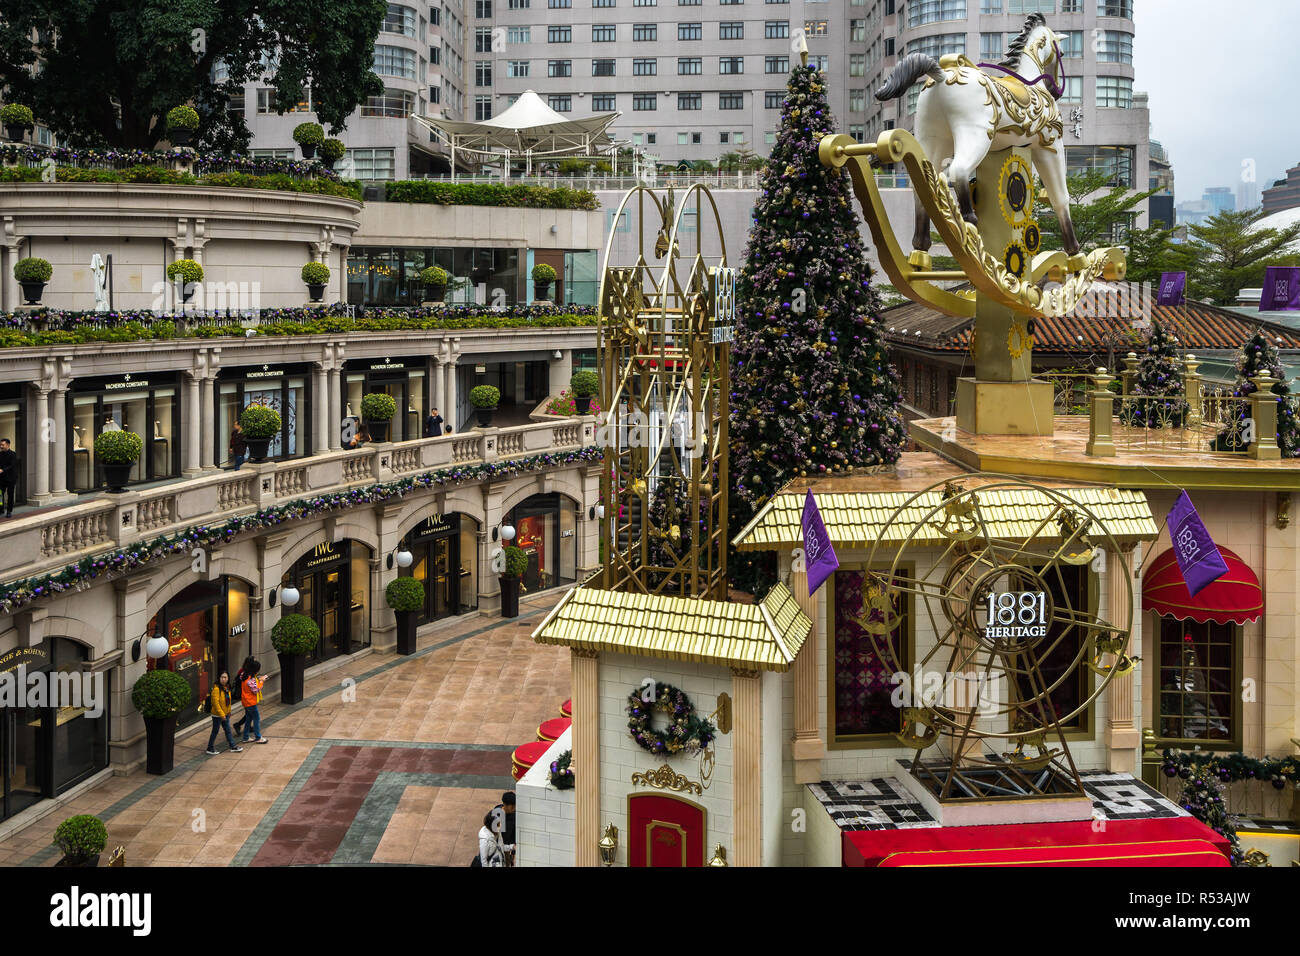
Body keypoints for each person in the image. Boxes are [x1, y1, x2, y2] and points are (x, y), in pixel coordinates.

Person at [205, 672, 244, 755]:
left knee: (228, 730)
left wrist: (229, 711)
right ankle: (210, 748)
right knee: (215, 731)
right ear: (219, 678)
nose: (223, 679)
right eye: (222, 677)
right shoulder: (216, 689)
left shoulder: (226, 688)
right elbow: (216, 703)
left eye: (225, 677)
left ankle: (233, 746)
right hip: (217, 714)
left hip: (225, 714)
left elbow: (228, 701)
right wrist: (222, 714)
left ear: (228, 678)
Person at [240, 661, 269, 744]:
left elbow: (251, 684)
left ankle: (246, 737)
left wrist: (258, 679)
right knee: (256, 719)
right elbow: (256, 690)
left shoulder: (243, 675)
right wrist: (261, 681)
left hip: (245, 702)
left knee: (249, 719)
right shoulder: (251, 679)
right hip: (251, 703)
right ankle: (258, 737)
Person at [232, 656, 255, 737]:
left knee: (249, 712)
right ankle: (238, 725)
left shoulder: (243, 671)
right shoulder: (245, 672)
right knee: (251, 713)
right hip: (245, 696)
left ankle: (247, 726)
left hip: (245, 695)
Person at [494, 791, 517, 866]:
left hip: (511, 844)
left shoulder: (514, 814)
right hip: (501, 845)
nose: (515, 808)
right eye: (513, 806)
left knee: (508, 861)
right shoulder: (497, 813)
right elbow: (494, 832)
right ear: (505, 805)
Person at [0, 439, 18, 518]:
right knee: (0, 494)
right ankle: (1, 509)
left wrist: (2, 470)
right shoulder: (0, 454)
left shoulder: (13, 454)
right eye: (0, 445)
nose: (1, 446)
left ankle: (9, 511)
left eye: (2, 445)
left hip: (11, 478)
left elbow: (12, 465)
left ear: (8, 445)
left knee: (10, 495)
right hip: (1, 478)